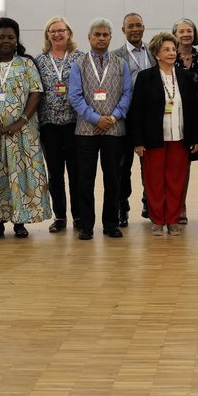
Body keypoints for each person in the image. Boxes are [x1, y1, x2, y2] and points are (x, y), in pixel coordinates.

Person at [0, 17, 51, 237]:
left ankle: (20, 222)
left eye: (11, 37)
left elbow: (37, 92)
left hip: (22, 134)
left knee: (20, 176)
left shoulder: (26, 64)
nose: (6, 40)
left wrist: (21, 121)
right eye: (1, 36)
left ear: (17, 40)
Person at [127, 31, 198, 235]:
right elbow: (137, 110)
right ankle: (158, 220)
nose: (171, 53)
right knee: (154, 181)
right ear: (157, 54)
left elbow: (194, 110)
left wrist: (194, 137)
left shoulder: (186, 77)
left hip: (179, 138)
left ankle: (173, 219)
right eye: (166, 50)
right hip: (153, 140)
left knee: (176, 180)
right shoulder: (145, 77)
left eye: (173, 49)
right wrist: (138, 141)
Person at [70, 17, 133, 240]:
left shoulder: (120, 63)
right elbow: (75, 97)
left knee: (113, 179)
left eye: (105, 35)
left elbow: (127, 94)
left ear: (110, 37)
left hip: (114, 130)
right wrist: (97, 119)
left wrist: (113, 117)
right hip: (86, 131)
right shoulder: (78, 64)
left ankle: (111, 224)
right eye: (97, 34)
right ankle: (86, 225)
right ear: (89, 37)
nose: (101, 38)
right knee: (85, 179)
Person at [34, 16, 83, 234]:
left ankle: (79, 216)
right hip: (49, 125)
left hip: (75, 124)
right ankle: (60, 216)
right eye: (52, 31)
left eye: (61, 30)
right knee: (54, 173)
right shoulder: (40, 60)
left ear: (69, 32)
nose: (57, 34)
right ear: (47, 35)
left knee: (76, 172)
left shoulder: (81, 58)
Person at [114, 12, 151, 226]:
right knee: (122, 166)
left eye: (138, 25)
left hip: (149, 118)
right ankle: (122, 208)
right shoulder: (116, 55)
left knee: (149, 165)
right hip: (124, 117)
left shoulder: (153, 52)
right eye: (130, 26)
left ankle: (149, 202)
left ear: (144, 28)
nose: (135, 29)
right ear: (123, 30)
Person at [173, 17, 198, 224]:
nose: (186, 34)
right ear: (175, 34)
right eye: (182, 31)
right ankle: (180, 206)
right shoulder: (168, 56)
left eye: (189, 31)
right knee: (181, 164)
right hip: (176, 115)